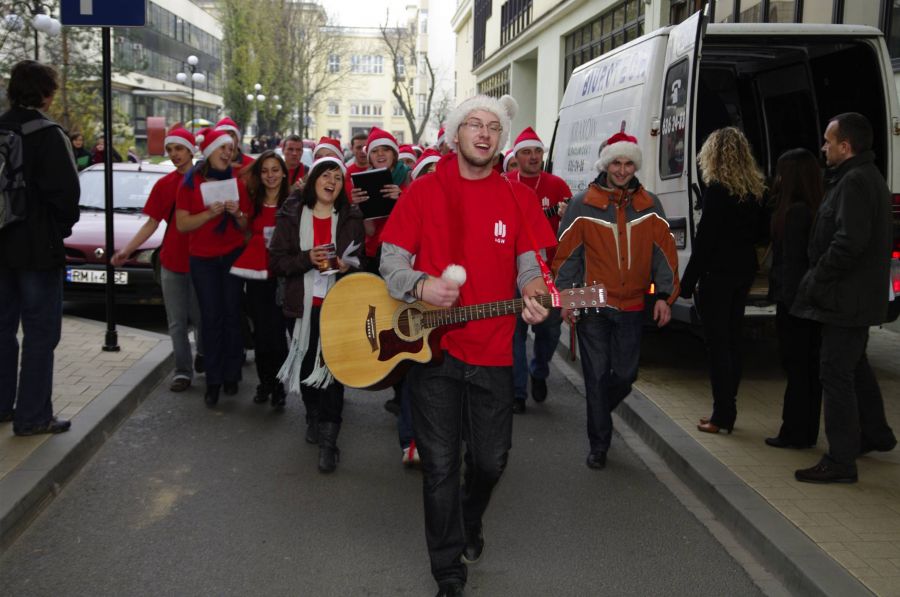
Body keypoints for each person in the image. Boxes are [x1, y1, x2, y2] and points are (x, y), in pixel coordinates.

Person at [380, 93, 557, 597]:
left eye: (493, 128)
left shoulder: (518, 197)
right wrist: (419, 285)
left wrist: (533, 290)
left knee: (489, 461)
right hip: (433, 353)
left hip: (495, 351)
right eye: (473, 125)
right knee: (438, 464)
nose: (483, 134)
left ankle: (469, 518)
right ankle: (448, 572)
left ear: (500, 139)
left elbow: (532, 265)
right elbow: (390, 262)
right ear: (455, 134)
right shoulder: (423, 191)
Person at [553, 129, 679, 469]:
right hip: (593, 304)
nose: (622, 170)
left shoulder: (650, 205)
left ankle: (599, 412)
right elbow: (566, 257)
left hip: (633, 306)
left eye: (628, 164)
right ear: (605, 164)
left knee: (625, 374)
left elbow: (664, 255)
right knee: (595, 375)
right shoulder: (582, 204)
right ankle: (599, 445)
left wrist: (665, 296)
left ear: (634, 166)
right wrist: (567, 298)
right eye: (616, 163)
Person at [792, 112, 896, 484]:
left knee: (835, 374)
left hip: (845, 299)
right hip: (855, 298)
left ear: (845, 146)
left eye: (828, 141)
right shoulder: (864, 177)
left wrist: (817, 279)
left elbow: (849, 242)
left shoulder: (854, 182)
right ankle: (876, 433)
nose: (823, 147)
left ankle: (840, 460)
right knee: (854, 366)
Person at [0, 60, 80, 436]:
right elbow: (66, 196)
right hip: (36, 248)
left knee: (1, 329)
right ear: (46, 95)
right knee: (40, 333)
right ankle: (32, 416)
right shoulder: (48, 135)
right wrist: (57, 231)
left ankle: (2, 405)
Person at [270, 156, 364, 473]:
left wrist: (347, 265)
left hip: (338, 306)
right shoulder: (292, 214)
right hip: (302, 307)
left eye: (338, 178)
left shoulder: (351, 216)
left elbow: (361, 258)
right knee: (310, 368)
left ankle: (328, 441)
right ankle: (312, 414)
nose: (331, 182)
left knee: (333, 373)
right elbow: (278, 262)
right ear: (313, 181)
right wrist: (307, 258)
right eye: (325, 176)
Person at [680, 127, 765, 435]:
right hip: (743, 272)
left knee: (718, 347)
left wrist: (686, 284)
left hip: (717, 275)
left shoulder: (716, 190)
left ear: (712, 155)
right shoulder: (754, 190)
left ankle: (722, 415)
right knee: (732, 341)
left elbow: (705, 243)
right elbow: (759, 235)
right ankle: (728, 408)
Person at [112, 128, 203, 393]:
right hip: (172, 262)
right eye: (170, 149)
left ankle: (205, 355)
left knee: (203, 318)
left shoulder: (206, 181)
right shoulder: (164, 186)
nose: (174, 154)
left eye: (179, 148)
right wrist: (127, 250)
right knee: (176, 321)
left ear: (191, 151)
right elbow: (151, 223)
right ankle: (182, 371)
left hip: (202, 262)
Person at [175, 129, 251, 407]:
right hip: (203, 260)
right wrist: (210, 213)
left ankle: (232, 375)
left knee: (232, 314)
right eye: (223, 148)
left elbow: (245, 227)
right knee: (211, 317)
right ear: (209, 152)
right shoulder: (191, 182)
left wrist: (237, 213)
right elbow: (183, 224)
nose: (228, 153)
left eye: (231, 149)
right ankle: (214, 380)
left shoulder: (237, 182)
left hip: (231, 256)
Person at [508, 127, 572, 413]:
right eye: (526, 152)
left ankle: (540, 369)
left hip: (550, 275)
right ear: (516, 157)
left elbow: (572, 227)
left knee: (549, 330)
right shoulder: (505, 183)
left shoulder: (557, 185)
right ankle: (518, 392)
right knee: (515, 333)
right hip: (512, 272)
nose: (533, 157)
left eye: (537, 152)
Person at [764, 149, 823, 449]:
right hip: (810, 303)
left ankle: (794, 432)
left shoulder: (794, 213)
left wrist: (785, 301)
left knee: (797, 369)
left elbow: (791, 263)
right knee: (810, 371)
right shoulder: (816, 207)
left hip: (795, 303)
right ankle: (806, 431)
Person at [230, 150, 290, 408]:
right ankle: (265, 382)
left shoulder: (294, 201)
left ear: (283, 173)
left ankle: (278, 386)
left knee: (277, 334)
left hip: (283, 277)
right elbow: (245, 233)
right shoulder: (253, 200)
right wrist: (239, 217)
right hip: (256, 277)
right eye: (265, 170)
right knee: (262, 334)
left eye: (275, 170)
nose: (270, 176)